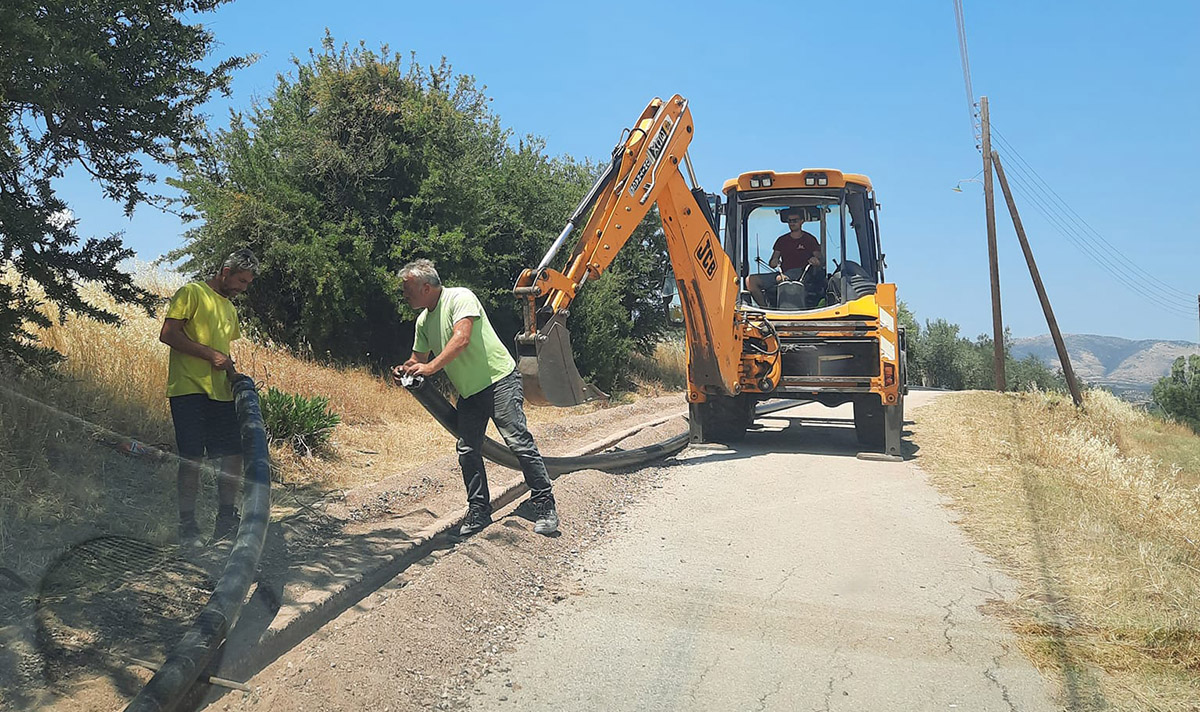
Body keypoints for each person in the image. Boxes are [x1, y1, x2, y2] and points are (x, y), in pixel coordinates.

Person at [392, 259, 559, 537]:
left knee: (518, 441)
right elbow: (416, 360)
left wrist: (431, 368)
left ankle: (544, 504)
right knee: (468, 450)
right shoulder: (423, 320)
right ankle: (479, 509)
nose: (404, 294)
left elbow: (462, 338)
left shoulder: (460, 297)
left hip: (500, 381)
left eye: (407, 288)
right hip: (470, 393)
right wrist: (404, 370)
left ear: (425, 287)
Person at [159, 248, 258, 548]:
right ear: (225, 272)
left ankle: (226, 520)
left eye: (247, 284)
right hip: (188, 389)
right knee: (191, 458)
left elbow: (222, 352)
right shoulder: (191, 293)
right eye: (240, 281)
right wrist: (208, 355)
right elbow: (168, 334)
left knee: (233, 454)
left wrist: (233, 375)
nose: (243, 288)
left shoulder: (229, 309)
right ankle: (187, 527)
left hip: (221, 393)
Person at [747, 208, 823, 308]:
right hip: (783, 273)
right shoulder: (782, 240)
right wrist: (774, 261)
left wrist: (816, 261)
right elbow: (773, 261)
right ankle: (766, 309)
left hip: (804, 274)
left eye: (795, 220)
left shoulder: (809, 239)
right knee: (751, 281)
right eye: (790, 221)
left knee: (781, 278)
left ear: (802, 221)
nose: (792, 223)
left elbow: (820, 260)